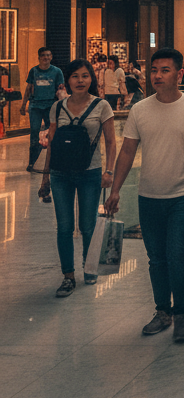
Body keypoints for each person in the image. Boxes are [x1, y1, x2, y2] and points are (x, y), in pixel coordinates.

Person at [105, 48, 184, 343]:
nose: (157, 75)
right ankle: (162, 312)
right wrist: (115, 189)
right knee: (156, 258)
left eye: (165, 70)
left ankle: (180, 314)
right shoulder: (140, 110)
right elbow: (128, 150)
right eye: (154, 70)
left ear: (180, 74)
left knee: (177, 254)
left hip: (183, 193)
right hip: (148, 195)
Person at [38, 59, 116, 296]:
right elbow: (52, 144)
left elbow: (111, 142)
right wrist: (45, 178)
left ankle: (90, 267)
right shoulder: (57, 108)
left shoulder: (102, 106)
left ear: (91, 79)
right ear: (67, 81)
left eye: (85, 76)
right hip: (60, 174)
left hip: (90, 173)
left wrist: (109, 171)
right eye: (75, 76)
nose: (80, 81)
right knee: (64, 227)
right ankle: (68, 276)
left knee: (88, 225)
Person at [21, 46, 65, 180]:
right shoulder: (33, 71)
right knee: (34, 132)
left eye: (48, 55)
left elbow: (60, 90)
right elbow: (29, 88)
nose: (46, 58)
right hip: (35, 105)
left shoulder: (57, 72)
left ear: (51, 57)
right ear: (39, 57)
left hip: (50, 105)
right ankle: (32, 162)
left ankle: (52, 161)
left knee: (51, 133)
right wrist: (24, 105)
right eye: (43, 55)